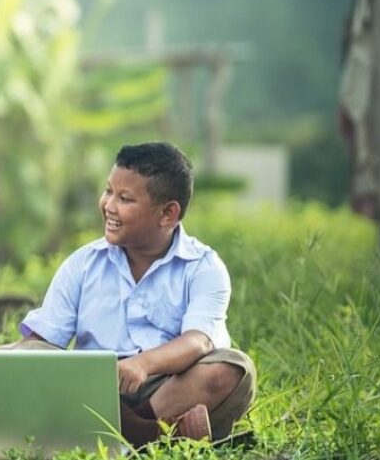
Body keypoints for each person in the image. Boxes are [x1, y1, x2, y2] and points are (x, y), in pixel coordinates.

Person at [15, 142, 255, 445]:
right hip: (94, 388)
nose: (108, 205)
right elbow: (43, 341)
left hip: (168, 388)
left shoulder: (203, 266)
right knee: (33, 355)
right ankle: (151, 436)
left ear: (168, 214)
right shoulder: (83, 263)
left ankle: (118, 434)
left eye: (125, 198)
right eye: (108, 191)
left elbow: (198, 341)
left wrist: (143, 365)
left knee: (232, 368)